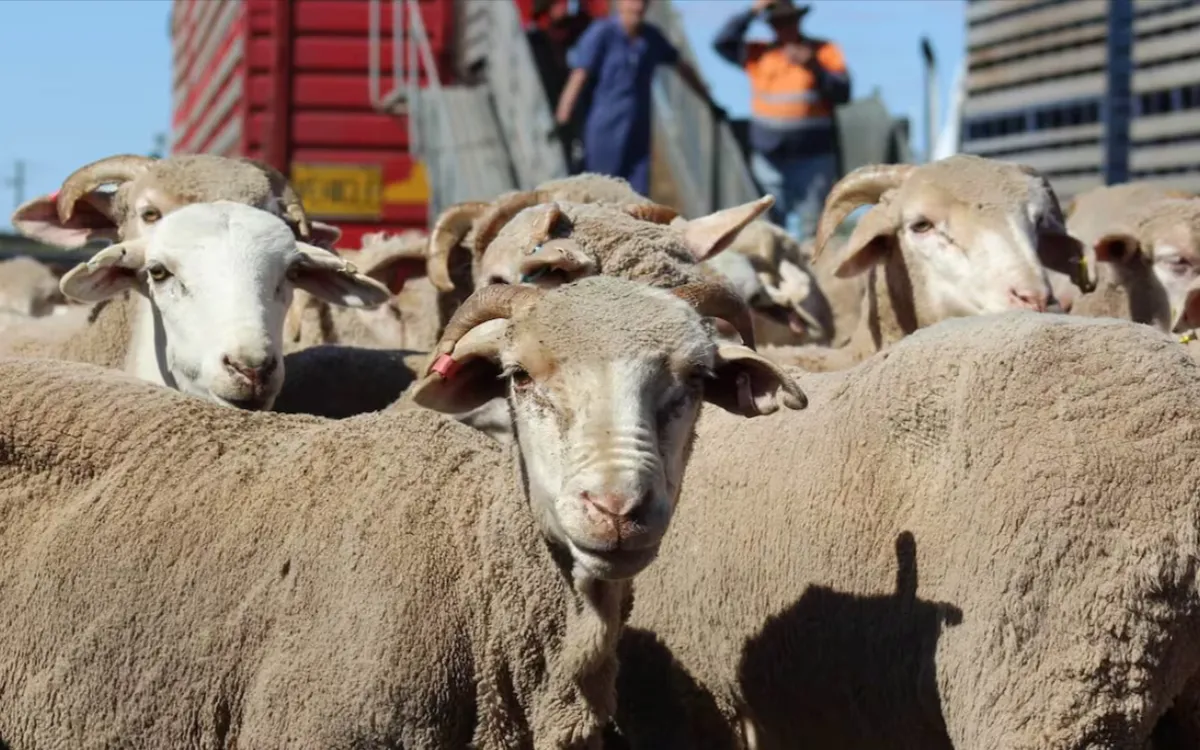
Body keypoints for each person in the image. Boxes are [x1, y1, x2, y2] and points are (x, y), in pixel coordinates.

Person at [714, 0, 851, 239]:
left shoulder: (823, 50)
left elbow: (843, 92)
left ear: (798, 21)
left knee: (813, 228)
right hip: (770, 157)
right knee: (769, 227)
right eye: (778, 22)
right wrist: (753, 11)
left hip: (813, 157)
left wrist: (813, 66)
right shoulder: (758, 53)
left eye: (788, 21)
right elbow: (722, 42)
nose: (784, 27)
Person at [554, 0, 710, 197]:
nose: (638, 6)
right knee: (599, 190)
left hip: (638, 132)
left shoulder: (651, 38)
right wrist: (563, 118)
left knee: (636, 195)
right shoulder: (602, 33)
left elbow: (682, 67)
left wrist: (709, 100)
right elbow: (579, 76)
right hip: (605, 128)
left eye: (643, 2)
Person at [527, 0, 594, 171]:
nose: (563, 6)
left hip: (584, 110)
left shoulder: (585, 31)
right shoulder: (537, 41)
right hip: (554, 110)